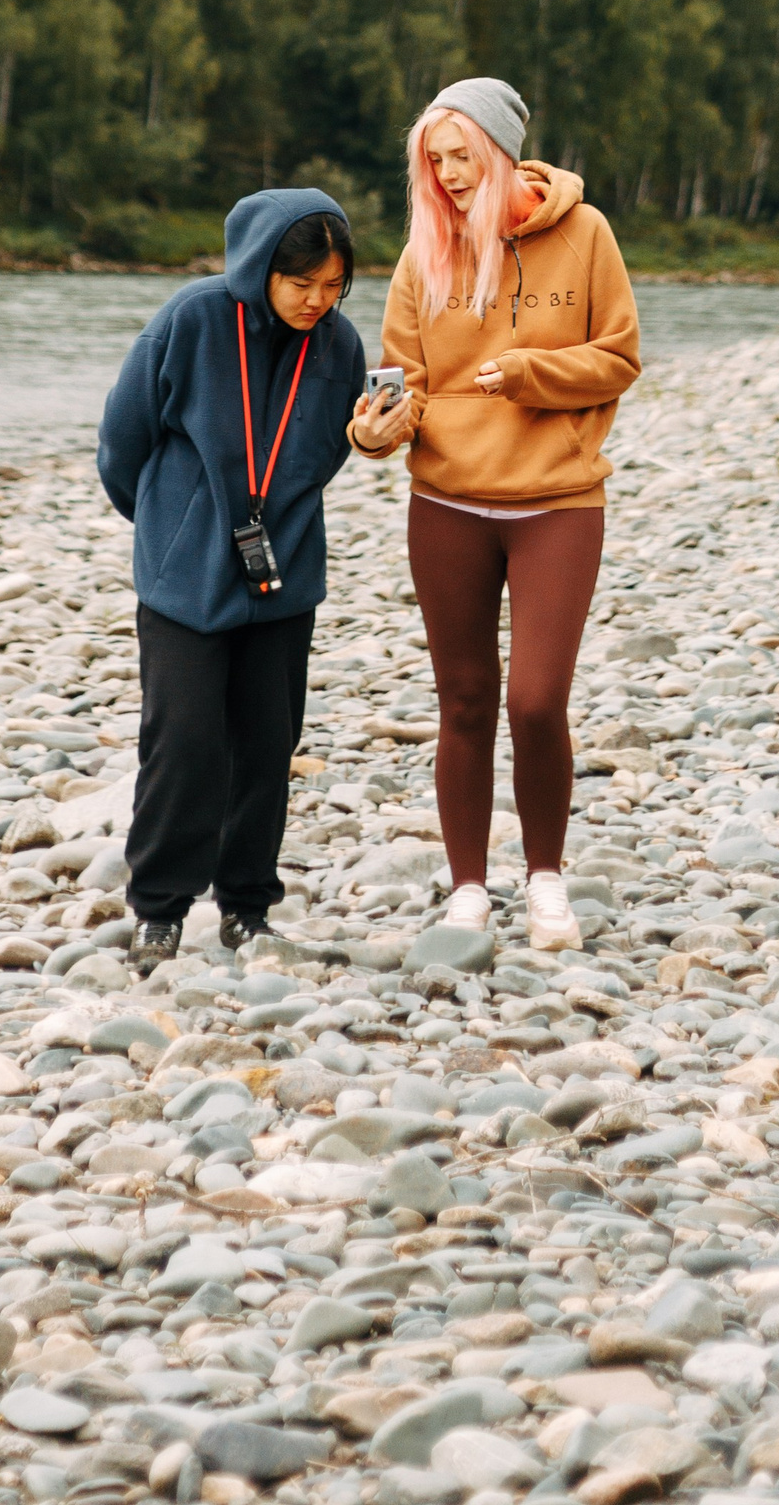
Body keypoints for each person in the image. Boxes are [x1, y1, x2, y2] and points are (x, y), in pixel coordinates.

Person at [350, 76, 639, 950]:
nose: (446, 177)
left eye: (460, 157)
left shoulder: (586, 235)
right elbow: (404, 389)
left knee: (538, 699)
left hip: (557, 501)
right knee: (465, 700)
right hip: (446, 505)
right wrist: (375, 432)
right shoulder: (421, 256)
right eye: (433, 162)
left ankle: (545, 881)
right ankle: (469, 888)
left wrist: (527, 373)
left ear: (503, 151)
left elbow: (620, 358)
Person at [99, 188, 365, 966]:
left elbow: (327, 453)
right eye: (300, 284)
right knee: (181, 742)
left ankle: (247, 906)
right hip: (183, 580)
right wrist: (168, 531)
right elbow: (123, 440)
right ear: (259, 270)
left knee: (266, 745)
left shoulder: (339, 348)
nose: (316, 301)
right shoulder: (193, 318)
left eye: (332, 287)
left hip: (283, 577)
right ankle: (159, 908)